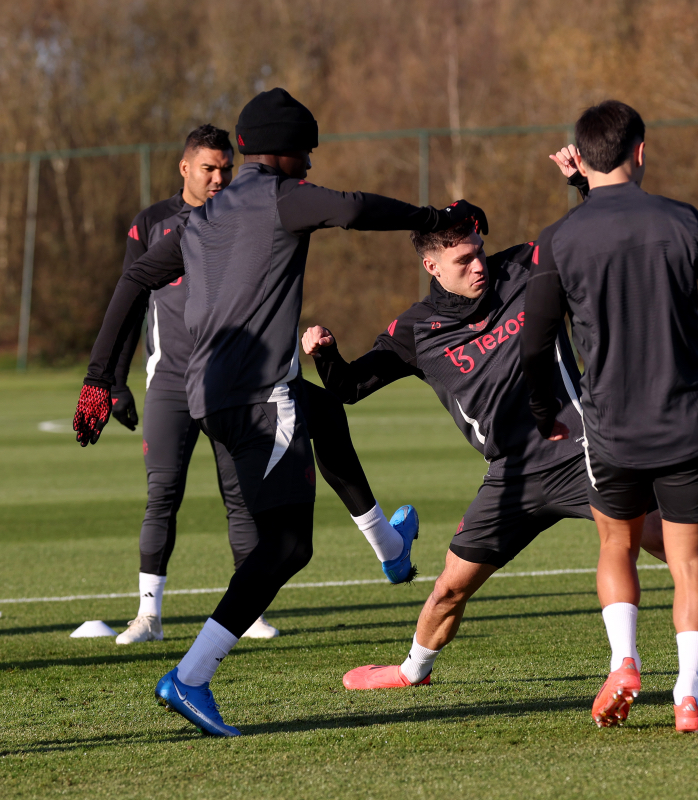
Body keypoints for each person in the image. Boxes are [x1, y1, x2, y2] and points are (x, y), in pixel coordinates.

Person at [307, 151, 698, 697]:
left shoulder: (524, 268)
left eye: (479, 253)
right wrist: (326, 354)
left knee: (674, 547)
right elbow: (348, 389)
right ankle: (410, 670)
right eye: (463, 261)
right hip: (512, 478)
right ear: (432, 267)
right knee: (450, 588)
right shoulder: (415, 330)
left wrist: (580, 184)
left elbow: (595, 233)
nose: (479, 266)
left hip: (584, 449)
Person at [73, 87, 487, 736]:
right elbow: (352, 210)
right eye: (307, 153)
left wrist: (100, 376)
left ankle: (389, 545)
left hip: (212, 397)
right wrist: (437, 215)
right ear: (283, 152)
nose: (311, 166)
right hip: (259, 398)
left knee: (323, 413)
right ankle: (190, 677)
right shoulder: (278, 196)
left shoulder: (200, 218)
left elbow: (133, 280)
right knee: (288, 546)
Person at [521, 102, 698, 733]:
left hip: (609, 427)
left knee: (617, 545)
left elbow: (533, 340)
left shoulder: (559, 238)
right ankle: (689, 696)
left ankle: (625, 661)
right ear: (642, 150)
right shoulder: (681, 220)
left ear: (579, 159)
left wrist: (540, 410)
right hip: (688, 421)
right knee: (691, 563)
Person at [108, 125, 277, 644]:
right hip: (170, 383)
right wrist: (114, 380)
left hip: (231, 381)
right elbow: (130, 300)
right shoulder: (152, 223)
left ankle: (248, 615)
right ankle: (149, 618)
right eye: (209, 168)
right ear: (185, 168)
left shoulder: (246, 218)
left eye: (226, 167)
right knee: (162, 494)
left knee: (243, 498)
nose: (219, 177)